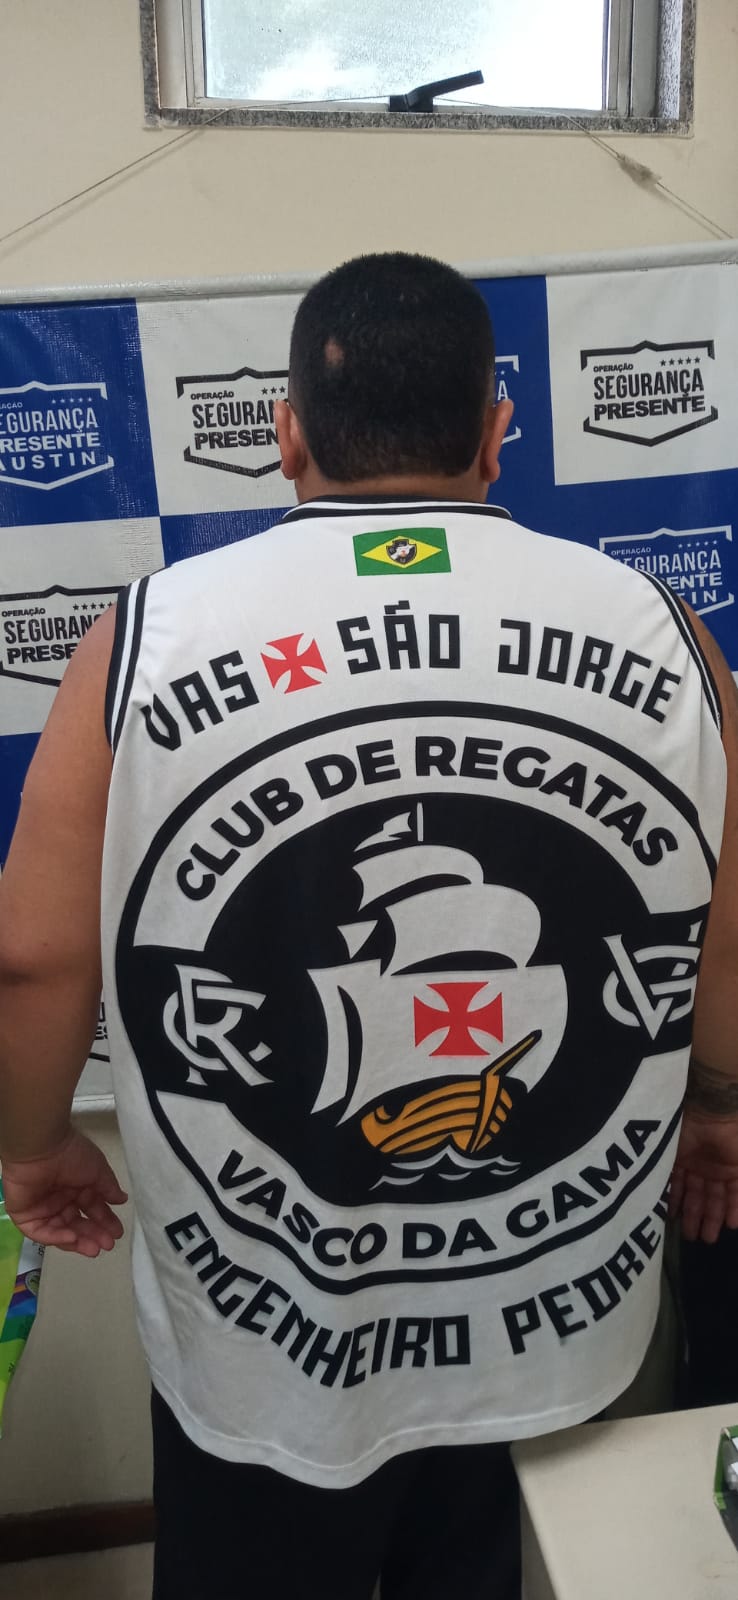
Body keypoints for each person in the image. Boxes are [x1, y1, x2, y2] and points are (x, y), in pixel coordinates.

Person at [1, 252, 737, 1600]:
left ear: (285, 434)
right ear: (497, 432)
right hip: (548, 1313)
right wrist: (722, 1107)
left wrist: (33, 1144)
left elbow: (31, 959)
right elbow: (725, 935)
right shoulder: (666, 632)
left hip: (263, 1338)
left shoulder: (150, 635)